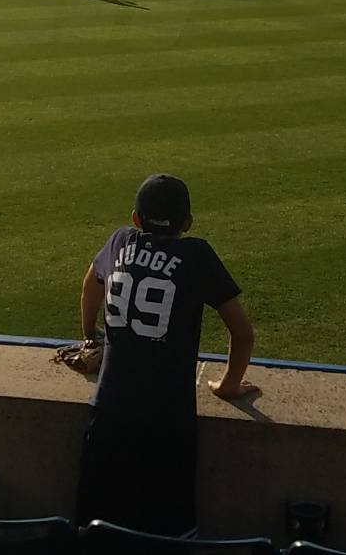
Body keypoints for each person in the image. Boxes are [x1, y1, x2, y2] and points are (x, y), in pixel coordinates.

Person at [74, 174, 255, 537]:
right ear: (187, 222)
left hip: (109, 412)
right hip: (168, 423)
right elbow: (242, 331)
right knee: (171, 533)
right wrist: (227, 386)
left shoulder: (119, 241)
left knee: (96, 531)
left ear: (136, 219)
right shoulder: (197, 254)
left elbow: (90, 285)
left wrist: (89, 336)